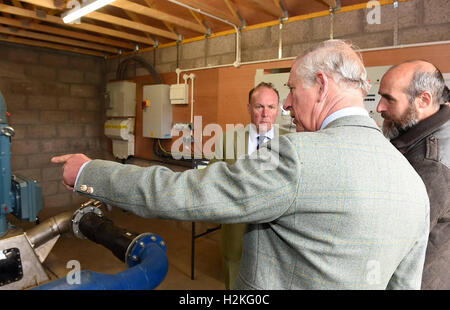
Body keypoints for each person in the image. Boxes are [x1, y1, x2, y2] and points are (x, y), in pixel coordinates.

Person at [52, 39, 430, 289]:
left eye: (292, 91)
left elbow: (185, 193)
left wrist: (91, 172)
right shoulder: (412, 180)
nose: (283, 106)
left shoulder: (297, 155)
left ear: (321, 85)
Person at [377, 60, 449, 290]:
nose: (379, 107)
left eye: (389, 98)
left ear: (424, 100)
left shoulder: (430, 164)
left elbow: (396, 245)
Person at [210, 82, 289, 289]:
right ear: (248, 108)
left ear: (278, 109)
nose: (265, 114)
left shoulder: (291, 141)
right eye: (259, 106)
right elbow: (211, 181)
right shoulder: (228, 140)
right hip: (236, 234)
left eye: (271, 107)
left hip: (277, 236)